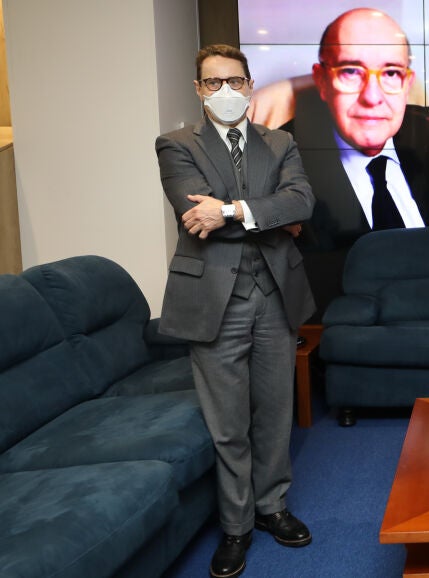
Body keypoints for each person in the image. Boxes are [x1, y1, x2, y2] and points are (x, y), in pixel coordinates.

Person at [155, 44, 316, 578]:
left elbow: (301, 202)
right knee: (228, 424)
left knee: (274, 412)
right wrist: (268, 216)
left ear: (250, 85)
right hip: (213, 300)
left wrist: (228, 209)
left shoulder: (281, 141)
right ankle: (236, 525)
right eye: (213, 82)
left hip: (275, 294)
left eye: (234, 81)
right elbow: (193, 215)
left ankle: (273, 507)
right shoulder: (176, 145)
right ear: (198, 90)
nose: (225, 91)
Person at [285, 8, 429, 316]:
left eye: (391, 73)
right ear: (321, 80)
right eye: (350, 71)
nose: (372, 97)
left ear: (407, 83)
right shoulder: (288, 155)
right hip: (356, 315)